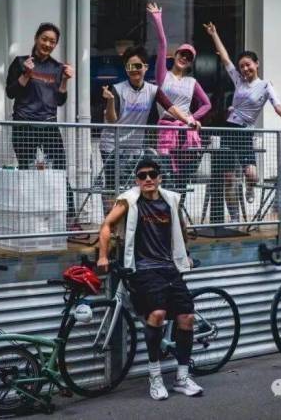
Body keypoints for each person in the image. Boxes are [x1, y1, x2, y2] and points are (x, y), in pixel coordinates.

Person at [97, 159, 203, 400]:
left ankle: (182, 378)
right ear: (137, 180)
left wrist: (185, 254)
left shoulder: (170, 200)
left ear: (159, 178)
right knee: (156, 315)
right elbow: (107, 224)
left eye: (152, 174)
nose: (147, 179)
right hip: (143, 269)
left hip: (169, 267)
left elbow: (181, 228)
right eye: (142, 175)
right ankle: (155, 377)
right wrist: (103, 255)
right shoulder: (129, 201)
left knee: (187, 318)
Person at [203, 21, 281, 220]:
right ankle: (234, 218)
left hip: (245, 133)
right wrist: (214, 34)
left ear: (256, 64)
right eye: (242, 66)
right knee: (228, 178)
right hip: (229, 129)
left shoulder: (266, 86)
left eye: (248, 65)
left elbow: (278, 108)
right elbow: (225, 59)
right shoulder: (238, 81)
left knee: (252, 175)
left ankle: (250, 188)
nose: (244, 69)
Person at [98, 45, 198, 212]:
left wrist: (188, 120)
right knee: (113, 184)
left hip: (134, 146)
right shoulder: (117, 89)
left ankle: (129, 220)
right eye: (130, 66)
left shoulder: (152, 90)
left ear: (145, 67)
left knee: (133, 184)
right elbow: (111, 119)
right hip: (111, 144)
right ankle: (111, 222)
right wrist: (110, 101)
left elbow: (171, 108)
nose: (134, 70)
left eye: (138, 66)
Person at [6, 22, 80, 232]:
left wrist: (65, 81)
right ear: (36, 38)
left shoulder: (57, 68)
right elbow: (10, 93)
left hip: (48, 125)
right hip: (24, 125)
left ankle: (69, 219)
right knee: (28, 172)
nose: (47, 44)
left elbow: (60, 100)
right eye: (44, 39)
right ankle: (29, 220)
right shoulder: (20, 62)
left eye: (52, 41)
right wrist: (26, 75)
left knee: (60, 172)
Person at [147, 2, 211, 193]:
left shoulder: (192, 82)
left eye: (189, 57)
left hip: (186, 133)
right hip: (166, 130)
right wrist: (158, 19)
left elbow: (206, 104)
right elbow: (162, 45)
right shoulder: (163, 76)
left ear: (190, 63)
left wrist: (191, 118)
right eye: (182, 54)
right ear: (175, 55)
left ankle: (178, 211)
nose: (184, 58)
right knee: (166, 177)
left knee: (182, 181)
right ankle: (168, 210)